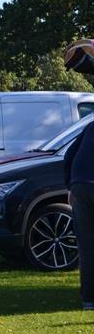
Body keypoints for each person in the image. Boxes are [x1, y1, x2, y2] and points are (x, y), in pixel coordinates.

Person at [64, 119, 94, 310]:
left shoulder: (90, 126)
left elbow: (69, 155)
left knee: (86, 245)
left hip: (80, 185)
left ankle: (89, 299)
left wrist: (71, 186)